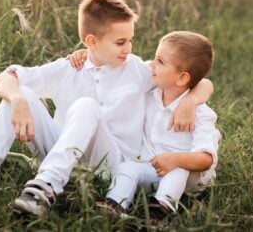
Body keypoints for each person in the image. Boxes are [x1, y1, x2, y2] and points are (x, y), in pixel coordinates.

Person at [0, 0, 214, 217]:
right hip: (60, 150)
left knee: (86, 106)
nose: (128, 49)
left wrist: (190, 101)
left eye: (131, 40)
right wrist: (17, 99)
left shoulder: (138, 71)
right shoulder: (69, 68)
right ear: (91, 41)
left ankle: (46, 186)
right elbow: (8, 76)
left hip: (112, 162)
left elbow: (199, 81)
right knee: (22, 93)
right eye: (120, 42)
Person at [93, 31, 220, 223]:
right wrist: (84, 55)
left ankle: (161, 211)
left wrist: (176, 159)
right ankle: (115, 204)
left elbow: (206, 160)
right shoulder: (152, 90)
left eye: (160, 61)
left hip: (187, 177)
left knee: (178, 170)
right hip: (152, 168)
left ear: (181, 78)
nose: (151, 65)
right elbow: (115, 68)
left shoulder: (201, 114)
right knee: (128, 168)